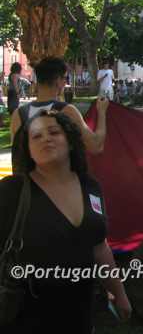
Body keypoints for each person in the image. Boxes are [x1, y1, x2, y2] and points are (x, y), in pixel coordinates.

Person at [0, 111, 131, 332]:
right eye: (36, 136)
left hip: (80, 313)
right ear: (28, 149)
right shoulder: (11, 191)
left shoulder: (90, 186)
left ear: (70, 142)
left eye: (54, 132)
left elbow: (99, 247)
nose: (46, 139)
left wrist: (120, 293)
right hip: (24, 316)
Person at [10, 56, 108, 160]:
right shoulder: (67, 111)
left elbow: (16, 157)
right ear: (58, 80)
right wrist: (101, 112)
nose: (65, 82)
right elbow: (96, 146)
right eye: (65, 78)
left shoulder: (18, 114)